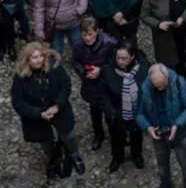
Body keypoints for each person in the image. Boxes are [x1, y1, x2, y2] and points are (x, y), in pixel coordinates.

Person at [11, 42, 84, 179]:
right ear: (27, 60)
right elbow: (18, 102)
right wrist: (39, 113)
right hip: (37, 117)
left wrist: (58, 105)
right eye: (34, 57)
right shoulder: (20, 78)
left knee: (69, 135)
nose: (38, 60)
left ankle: (75, 155)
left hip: (59, 109)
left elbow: (65, 84)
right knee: (46, 142)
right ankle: (55, 159)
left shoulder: (53, 67)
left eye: (40, 56)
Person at [135, 63, 186, 188]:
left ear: (167, 77)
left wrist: (177, 124)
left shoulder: (179, 82)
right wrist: (147, 127)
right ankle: (165, 184)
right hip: (158, 136)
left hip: (179, 134)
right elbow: (139, 114)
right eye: (156, 86)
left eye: (162, 85)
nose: (159, 88)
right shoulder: (144, 88)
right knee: (162, 165)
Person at [97, 41, 149, 173]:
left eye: (124, 58)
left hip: (137, 112)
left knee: (137, 135)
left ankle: (136, 155)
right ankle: (117, 157)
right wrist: (112, 112)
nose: (120, 61)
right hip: (117, 113)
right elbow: (102, 95)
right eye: (118, 58)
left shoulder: (143, 67)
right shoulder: (108, 70)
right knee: (116, 137)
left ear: (132, 57)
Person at [71, 16, 120, 153]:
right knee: (95, 112)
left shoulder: (109, 43)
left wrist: (101, 70)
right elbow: (75, 61)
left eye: (90, 34)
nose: (87, 38)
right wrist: (84, 73)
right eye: (84, 34)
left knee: (110, 111)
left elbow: (117, 61)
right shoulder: (77, 45)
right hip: (90, 84)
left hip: (107, 84)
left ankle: (113, 134)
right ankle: (98, 135)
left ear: (97, 31)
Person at [143, 0, 186, 80]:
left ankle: (182, 80)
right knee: (165, 60)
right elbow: (144, 15)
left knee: (180, 58)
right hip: (163, 35)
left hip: (179, 32)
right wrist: (158, 24)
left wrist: (183, 17)